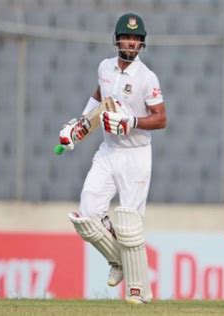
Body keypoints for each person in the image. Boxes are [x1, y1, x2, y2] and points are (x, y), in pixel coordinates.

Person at [58, 13, 166, 304]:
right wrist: (80, 124)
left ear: (141, 43)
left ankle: (138, 291)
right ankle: (117, 259)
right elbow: (99, 96)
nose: (131, 43)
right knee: (88, 213)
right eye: (126, 37)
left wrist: (131, 122)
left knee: (130, 224)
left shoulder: (147, 77)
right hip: (108, 151)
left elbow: (161, 119)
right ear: (117, 39)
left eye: (136, 39)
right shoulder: (104, 68)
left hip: (136, 154)